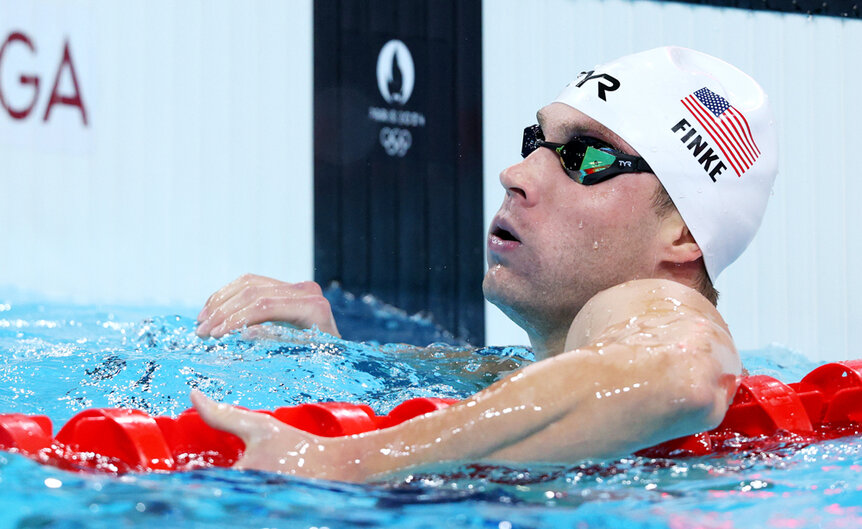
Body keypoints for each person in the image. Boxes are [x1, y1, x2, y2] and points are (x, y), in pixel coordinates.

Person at [192, 46, 778, 482]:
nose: (516, 175)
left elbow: (683, 372)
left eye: (587, 158)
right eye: (535, 142)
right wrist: (334, 357)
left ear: (680, 233)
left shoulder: (658, 309)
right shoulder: (548, 367)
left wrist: (346, 459)